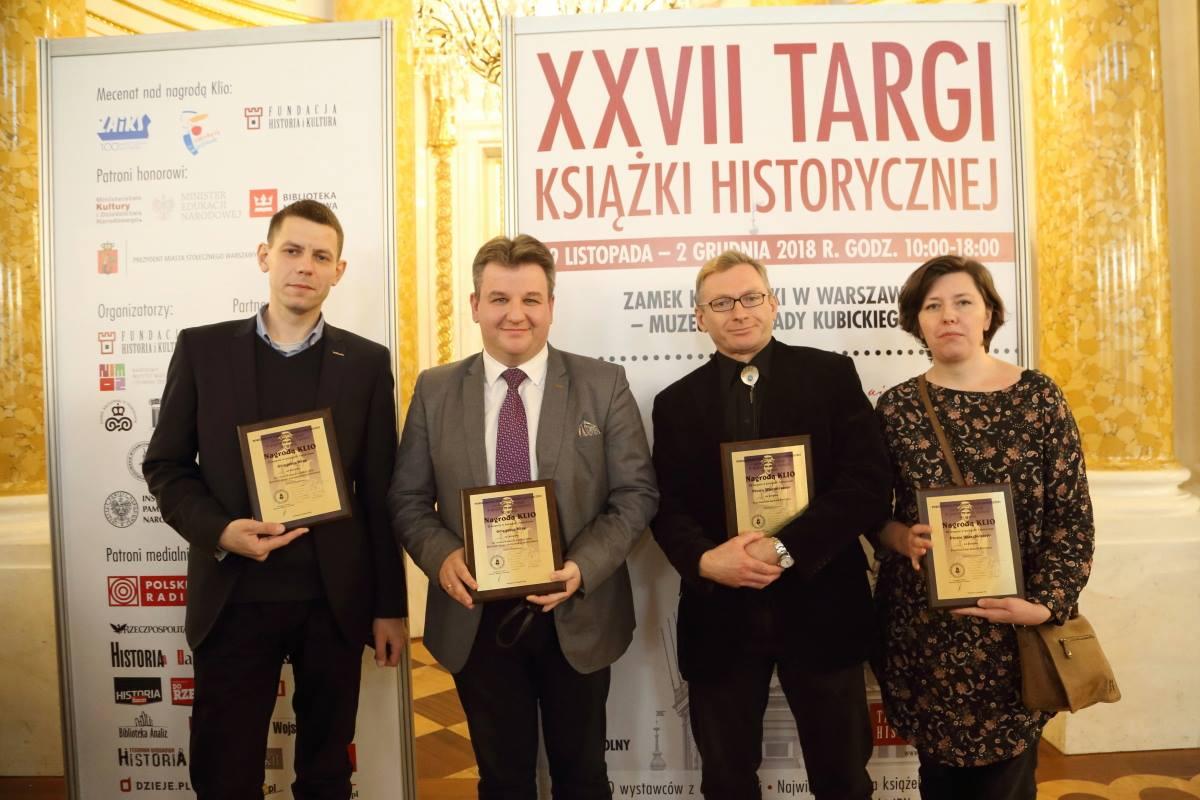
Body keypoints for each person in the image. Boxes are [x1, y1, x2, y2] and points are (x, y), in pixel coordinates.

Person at [143, 199, 408, 800]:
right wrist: (219, 530)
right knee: (225, 773)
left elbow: (380, 491)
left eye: (321, 256)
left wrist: (389, 606)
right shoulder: (203, 351)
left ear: (339, 270)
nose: (304, 266)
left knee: (326, 775)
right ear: (266, 256)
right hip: (234, 596)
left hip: (332, 604)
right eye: (292, 250)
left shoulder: (366, 363)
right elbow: (166, 467)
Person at [389, 234, 658, 800]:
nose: (516, 314)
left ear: (552, 306)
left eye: (532, 299)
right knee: (503, 779)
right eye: (500, 298)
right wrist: (443, 558)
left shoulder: (602, 384)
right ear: (475, 305)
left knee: (582, 777)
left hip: (576, 611)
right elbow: (408, 499)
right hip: (475, 618)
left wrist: (582, 567)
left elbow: (635, 494)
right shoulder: (435, 390)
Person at [650, 249, 891, 800]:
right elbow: (667, 504)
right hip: (721, 618)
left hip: (824, 609)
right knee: (728, 782)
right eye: (722, 302)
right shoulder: (674, 403)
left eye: (751, 297)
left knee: (844, 781)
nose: (739, 312)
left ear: (774, 303)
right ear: (699, 317)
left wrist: (783, 549)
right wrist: (707, 560)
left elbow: (867, 485)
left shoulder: (830, 375)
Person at [873, 254, 1095, 800]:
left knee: (1008, 783)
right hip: (924, 635)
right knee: (939, 782)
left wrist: (1044, 604)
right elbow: (870, 510)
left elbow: (1072, 517)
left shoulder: (1038, 397)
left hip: (1013, 636)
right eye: (933, 305)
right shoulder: (897, 407)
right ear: (917, 321)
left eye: (963, 302)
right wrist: (899, 536)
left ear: (989, 313)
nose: (949, 315)